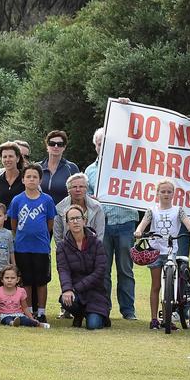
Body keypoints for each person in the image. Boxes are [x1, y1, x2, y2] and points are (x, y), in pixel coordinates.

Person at [134, 178, 190, 330]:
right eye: (163, 191)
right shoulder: (152, 210)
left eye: (169, 192)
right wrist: (139, 231)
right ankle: (153, 319)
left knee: (170, 286)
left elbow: (188, 223)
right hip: (155, 251)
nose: (166, 194)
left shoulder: (178, 210)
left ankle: (167, 317)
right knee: (156, 285)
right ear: (157, 193)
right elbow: (143, 224)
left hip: (171, 251)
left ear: (174, 194)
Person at [85, 127, 138, 320]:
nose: (102, 147)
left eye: (106, 143)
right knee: (103, 269)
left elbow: (138, 141)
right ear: (95, 146)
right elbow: (86, 198)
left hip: (126, 221)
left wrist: (127, 109)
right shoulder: (90, 170)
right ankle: (103, 308)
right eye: (99, 144)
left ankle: (128, 310)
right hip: (102, 225)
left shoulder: (129, 166)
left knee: (125, 269)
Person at [8, 163, 56, 322]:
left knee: (41, 281)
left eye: (35, 177)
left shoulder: (47, 200)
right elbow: (13, 223)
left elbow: (50, 223)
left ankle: (41, 312)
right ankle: (28, 312)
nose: (31, 179)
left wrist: (40, 234)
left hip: (41, 248)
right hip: (22, 247)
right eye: (28, 176)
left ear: (40, 180)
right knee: (26, 280)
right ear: (23, 180)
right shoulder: (17, 200)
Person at [56, 205, 111, 329]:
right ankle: (79, 315)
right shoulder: (62, 246)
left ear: (84, 220)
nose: (75, 221)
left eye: (78, 218)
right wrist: (67, 289)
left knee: (93, 325)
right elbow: (63, 270)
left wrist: (75, 288)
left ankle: (100, 316)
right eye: (71, 219)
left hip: (95, 292)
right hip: (77, 293)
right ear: (67, 224)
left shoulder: (97, 243)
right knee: (64, 299)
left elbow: (100, 271)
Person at [53, 173, 105, 244]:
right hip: (68, 250)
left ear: (86, 189)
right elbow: (58, 236)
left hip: (92, 250)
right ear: (68, 190)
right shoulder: (59, 208)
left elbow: (99, 234)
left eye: (81, 186)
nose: (78, 189)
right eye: (74, 187)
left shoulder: (97, 207)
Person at [39, 130, 79, 205]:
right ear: (47, 146)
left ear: (64, 147)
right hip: (39, 213)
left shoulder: (71, 168)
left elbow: (79, 191)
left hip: (62, 213)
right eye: (52, 144)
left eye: (59, 144)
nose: (56, 146)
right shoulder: (37, 167)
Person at [0, 142, 24, 229]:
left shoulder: (25, 180)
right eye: (4, 157)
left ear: (17, 158)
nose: (7, 159)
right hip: (3, 228)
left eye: (10, 156)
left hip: (23, 226)